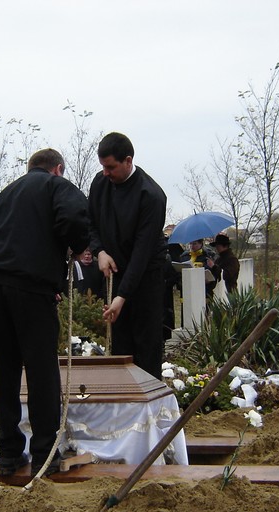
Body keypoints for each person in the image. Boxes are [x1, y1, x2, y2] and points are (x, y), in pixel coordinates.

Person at [0, 148, 89, 477]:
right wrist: (76, 245)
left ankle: (9, 453)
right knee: (42, 371)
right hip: (30, 285)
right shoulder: (56, 185)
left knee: (5, 370)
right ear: (58, 168)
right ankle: (44, 453)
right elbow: (74, 217)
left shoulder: (4, 194)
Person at [88, 132, 167, 379]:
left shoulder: (151, 195)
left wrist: (122, 296)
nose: (105, 173)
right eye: (102, 167)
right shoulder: (100, 184)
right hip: (114, 273)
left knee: (146, 344)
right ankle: (123, 396)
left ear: (128, 161)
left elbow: (142, 252)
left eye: (111, 167)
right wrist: (99, 251)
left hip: (145, 279)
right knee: (119, 344)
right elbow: (90, 223)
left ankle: (150, 399)